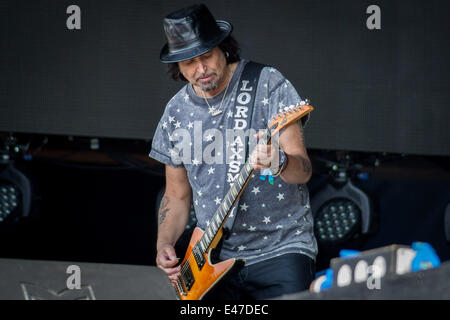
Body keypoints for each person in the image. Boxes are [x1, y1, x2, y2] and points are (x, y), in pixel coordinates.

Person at [149, 3, 317, 300]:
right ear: (177, 66)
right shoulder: (175, 112)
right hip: (210, 259)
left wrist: (279, 161)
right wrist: (165, 242)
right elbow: (176, 195)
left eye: (206, 56)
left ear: (223, 49)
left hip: (281, 248)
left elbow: (303, 171)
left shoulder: (267, 83)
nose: (200, 69)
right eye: (189, 62)